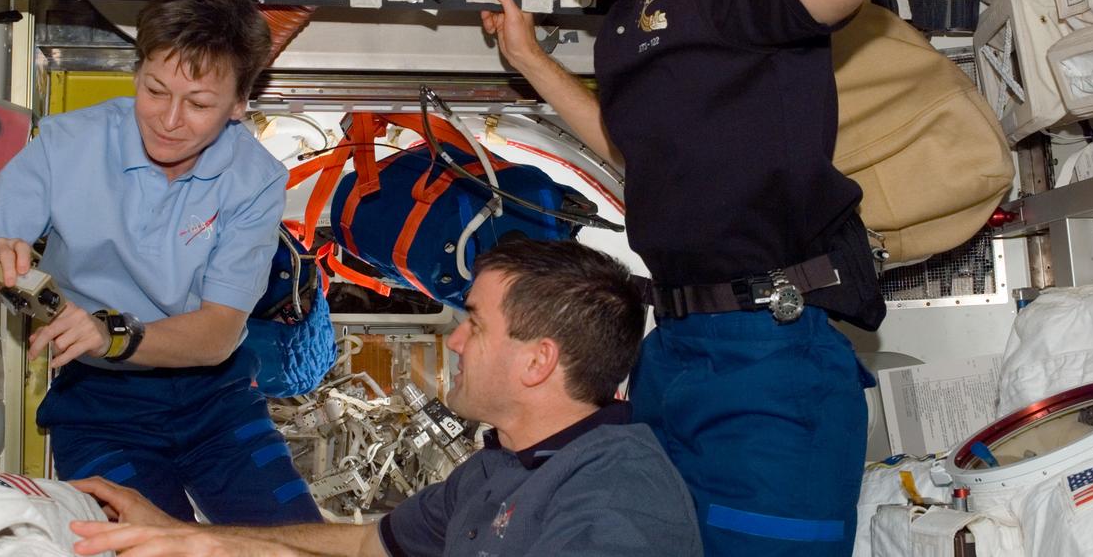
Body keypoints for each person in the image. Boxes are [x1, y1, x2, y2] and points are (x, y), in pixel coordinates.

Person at [477, 0, 897, 555]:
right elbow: (634, 152)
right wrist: (532, 63)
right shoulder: (623, 29)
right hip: (673, 354)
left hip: (766, 359)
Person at [0, 0, 320, 527]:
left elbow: (218, 334)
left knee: (292, 546)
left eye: (199, 104)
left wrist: (110, 333)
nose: (169, 120)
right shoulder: (65, 146)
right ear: (137, 73)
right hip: (98, 408)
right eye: (155, 90)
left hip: (217, 401)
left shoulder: (255, 179)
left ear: (238, 105)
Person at [68, 238, 704, 557]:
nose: (455, 340)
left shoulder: (618, 492)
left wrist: (210, 550)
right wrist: (182, 534)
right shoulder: (495, 468)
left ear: (538, 362)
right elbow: (366, 546)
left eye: (476, 324)